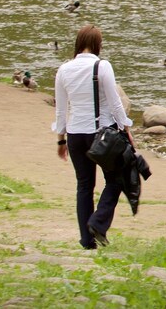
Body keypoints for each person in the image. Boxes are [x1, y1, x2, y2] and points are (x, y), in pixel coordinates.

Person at [53, 25, 135, 249]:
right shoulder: (102, 66)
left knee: (84, 186)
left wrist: (61, 139)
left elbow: (61, 109)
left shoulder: (64, 69)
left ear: (78, 43)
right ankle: (98, 223)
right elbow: (115, 103)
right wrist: (126, 128)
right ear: (98, 44)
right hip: (101, 134)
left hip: (75, 134)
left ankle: (87, 241)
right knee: (116, 179)